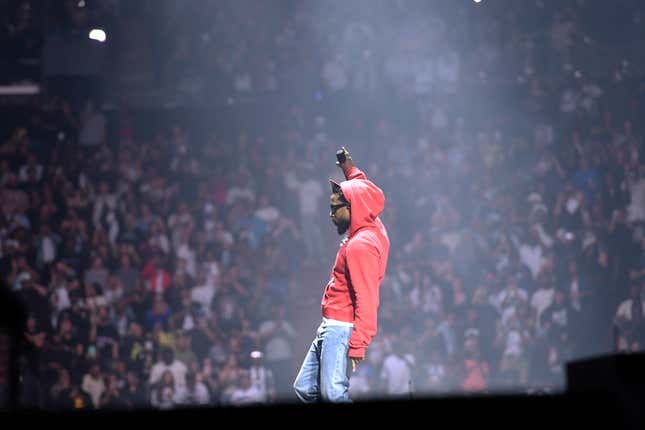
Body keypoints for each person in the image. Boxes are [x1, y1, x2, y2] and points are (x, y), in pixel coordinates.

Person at [293, 147, 390, 403]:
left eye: (336, 208)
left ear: (353, 208)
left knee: (333, 394)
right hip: (330, 324)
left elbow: (367, 297)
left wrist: (359, 343)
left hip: (340, 327)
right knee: (305, 388)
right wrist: (349, 168)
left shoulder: (361, 246)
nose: (331, 214)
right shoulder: (370, 222)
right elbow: (362, 189)